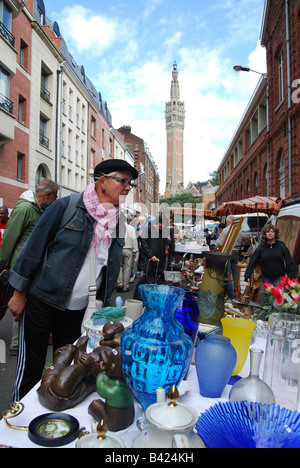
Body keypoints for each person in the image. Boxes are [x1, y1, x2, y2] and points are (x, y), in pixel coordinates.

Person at [7, 159, 138, 401]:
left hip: (79, 311)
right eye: (123, 181)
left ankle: (53, 418)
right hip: (42, 301)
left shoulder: (118, 221)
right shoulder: (66, 206)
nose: (128, 187)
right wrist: (18, 293)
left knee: (66, 370)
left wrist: (104, 305)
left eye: (130, 183)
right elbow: (33, 247)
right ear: (102, 182)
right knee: (31, 370)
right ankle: (18, 421)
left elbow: (108, 266)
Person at [0, 180, 59, 355]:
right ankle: (16, 344)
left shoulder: (39, 210)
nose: (55, 201)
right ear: (48, 195)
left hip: (34, 266)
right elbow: (10, 238)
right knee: (19, 302)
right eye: (55, 197)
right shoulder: (25, 209)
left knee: (31, 302)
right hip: (21, 267)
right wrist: (4, 264)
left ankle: (25, 339)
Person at [215, 214, 243, 300]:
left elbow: (219, 243)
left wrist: (215, 243)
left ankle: (231, 293)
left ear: (228, 221)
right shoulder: (239, 230)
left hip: (228, 251)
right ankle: (237, 290)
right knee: (235, 273)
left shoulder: (226, 230)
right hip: (236, 252)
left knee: (227, 273)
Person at [138, 213, 169, 280]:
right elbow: (144, 243)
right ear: (158, 222)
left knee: (157, 278)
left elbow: (163, 243)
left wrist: (166, 248)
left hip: (159, 260)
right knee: (148, 279)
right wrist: (151, 255)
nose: (163, 226)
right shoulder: (148, 229)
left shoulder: (161, 232)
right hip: (150, 260)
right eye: (162, 224)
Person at [117, 215, 138, 292]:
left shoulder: (118, 228)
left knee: (119, 267)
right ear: (128, 221)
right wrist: (135, 251)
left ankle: (120, 283)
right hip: (128, 250)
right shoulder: (131, 228)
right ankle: (126, 286)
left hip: (119, 249)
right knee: (127, 268)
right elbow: (134, 240)